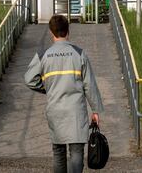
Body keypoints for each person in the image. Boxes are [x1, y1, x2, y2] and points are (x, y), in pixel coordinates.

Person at [24, 15, 104, 173]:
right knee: (76, 151)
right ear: (68, 31)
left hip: (55, 110)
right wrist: (95, 110)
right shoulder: (79, 53)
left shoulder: (43, 54)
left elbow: (29, 79)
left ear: (50, 32)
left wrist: (48, 87)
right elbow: (89, 84)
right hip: (76, 111)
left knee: (58, 151)